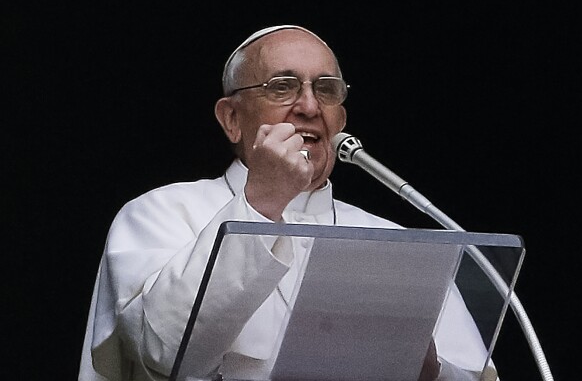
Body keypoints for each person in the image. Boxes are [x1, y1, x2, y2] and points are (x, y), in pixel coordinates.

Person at [78, 25, 498, 381]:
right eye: (282, 87)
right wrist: (263, 199)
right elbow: (164, 352)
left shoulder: (394, 241)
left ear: (341, 121)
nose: (310, 106)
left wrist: (427, 369)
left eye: (327, 90)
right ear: (232, 119)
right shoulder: (161, 212)